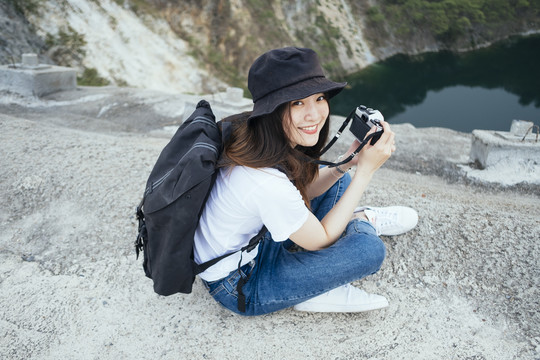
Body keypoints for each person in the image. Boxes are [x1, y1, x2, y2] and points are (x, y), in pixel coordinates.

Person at [193, 47, 418, 316]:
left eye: (319, 98)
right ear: (271, 111)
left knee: (338, 181)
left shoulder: (248, 131)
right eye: (296, 103)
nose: (313, 115)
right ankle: (361, 222)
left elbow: (298, 192)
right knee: (368, 251)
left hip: (255, 238)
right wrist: (365, 173)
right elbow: (320, 241)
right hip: (239, 284)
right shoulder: (264, 182)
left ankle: (308, 279)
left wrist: (345, 163)